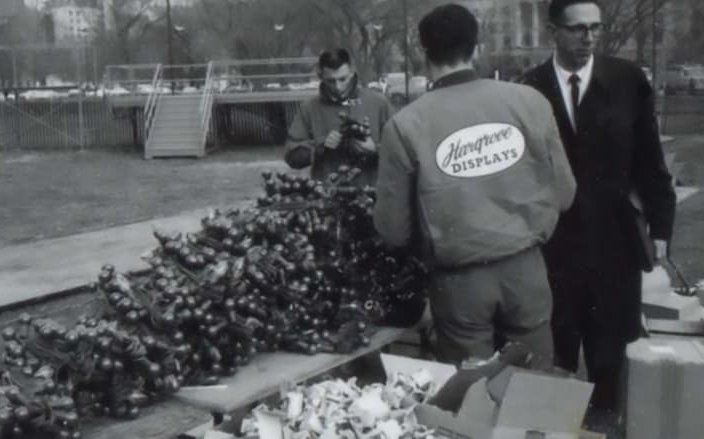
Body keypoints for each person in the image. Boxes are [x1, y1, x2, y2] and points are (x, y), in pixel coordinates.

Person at [373, 4, 576, 369]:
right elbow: (565, 194)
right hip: (526, 269)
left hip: (459, 281)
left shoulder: (406, 125)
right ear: (475, 46)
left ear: (423, 51)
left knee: (470, 400)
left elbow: (393, 230)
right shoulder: (529, 101)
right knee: (536, 386)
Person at [519, 0, 677, 418]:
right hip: (554, 247)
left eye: (595, 28)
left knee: (612, 356)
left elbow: (650, 161)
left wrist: (660, 229)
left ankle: (610, 421)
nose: (588, 37)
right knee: (555, 357)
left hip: (614, 244)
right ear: (553, 31)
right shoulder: (528, 89)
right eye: (577, 29)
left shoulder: (627, 80)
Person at [284, 49, 393, 187]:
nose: (338, 87)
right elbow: (291, 157)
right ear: (320, 76)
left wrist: (375, 150)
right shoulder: (309, 107)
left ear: (352, 73)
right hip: (327, 197)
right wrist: (320, 148)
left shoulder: (379, 103)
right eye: (331, 81)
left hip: (372, 194)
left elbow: (404, 152)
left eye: (343, 79)